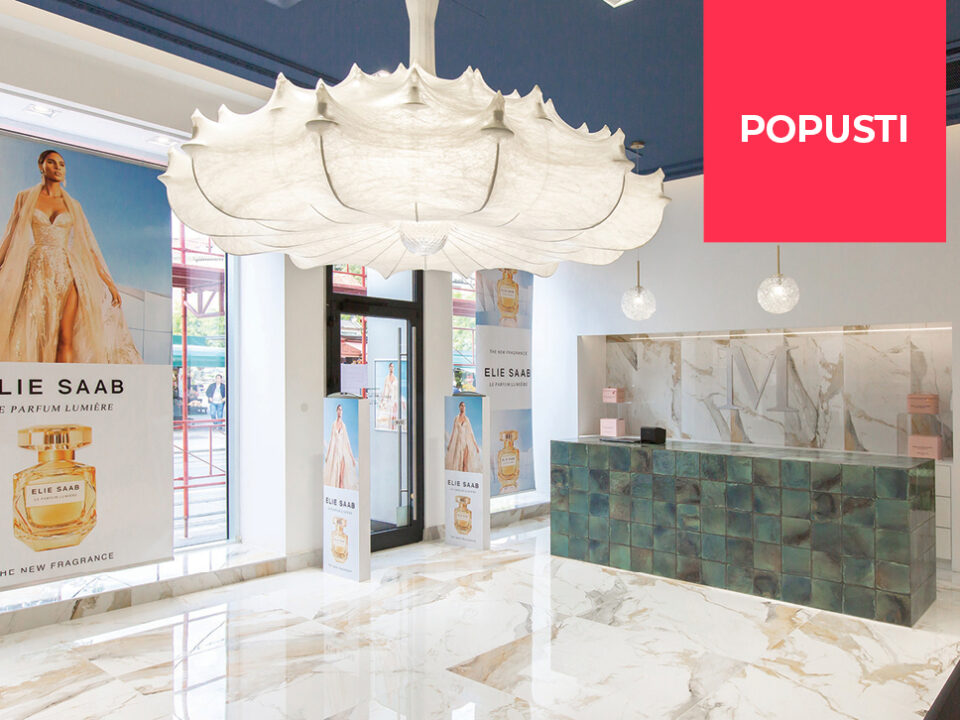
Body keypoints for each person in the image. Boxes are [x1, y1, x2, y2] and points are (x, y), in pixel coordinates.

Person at [0, 150, 141, 363]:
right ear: (41, 166)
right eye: (51, 162)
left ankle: (64, 381)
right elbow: (10, 236)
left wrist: (110, 283)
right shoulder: (25, 197)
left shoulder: (74, 205)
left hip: (68, 271)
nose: (57, 167)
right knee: (35, 331)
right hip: (37, 269)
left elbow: (88, 247)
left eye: (62, 164)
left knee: (65, 336)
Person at [324, 404, 359, 489]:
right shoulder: (333, 424)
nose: (340, 411)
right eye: (339, 409)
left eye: (341, 410)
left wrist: (352, 458)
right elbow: (331, 440)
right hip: (336, 452)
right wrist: (328, 455)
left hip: (343, 453)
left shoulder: (343, 425)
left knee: (341, 478)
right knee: (335, 475)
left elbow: (347, 442)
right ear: (336, 411)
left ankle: (342, 491)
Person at [445, 400, 483, 472]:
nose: (463, 407)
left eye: (464, 406)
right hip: (458, 442)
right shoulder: (456, 418)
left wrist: (476, 446)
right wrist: (450, 444)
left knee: (465, 464)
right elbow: (453, 431)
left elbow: (471, 433)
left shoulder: (467, 419)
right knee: (458, 463)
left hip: (466, 443)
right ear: (459, 407)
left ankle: (464, 476)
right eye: (462, 406)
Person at [376, 362, 399, 429]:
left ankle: (393, 428)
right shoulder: (386, 378)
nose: (392, 368)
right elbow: (384, 389)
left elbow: (396, 391)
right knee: (386, 416)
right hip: (387, 400)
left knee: (394, 416)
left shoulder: (396, 379)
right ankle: (388, 429)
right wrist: (382, 399)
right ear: (389, 368)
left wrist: (396, 401)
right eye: (390, 367)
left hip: (393, 400)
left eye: (393, 367)